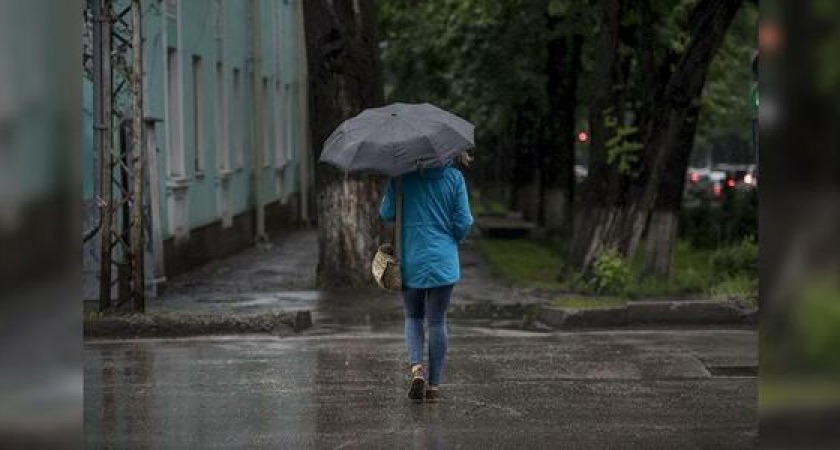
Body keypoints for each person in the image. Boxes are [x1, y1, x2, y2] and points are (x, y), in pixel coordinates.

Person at [379, 153, 474, 402]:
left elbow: (386, 213)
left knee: (413, 316)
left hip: (411, 260)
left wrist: (394, 181)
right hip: (444, 261)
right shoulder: (454, 178)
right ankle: (433, 385)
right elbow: (465, 220)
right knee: (437, 321)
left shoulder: (401, 178)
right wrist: (451, 238)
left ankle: (416, 368)